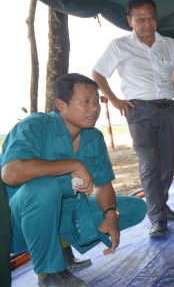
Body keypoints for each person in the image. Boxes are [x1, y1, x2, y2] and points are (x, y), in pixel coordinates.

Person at [1, 73, 147, 286]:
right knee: (44, 187)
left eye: (96, 101)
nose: (94, 108)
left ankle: (61, 248)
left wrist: (111, 215)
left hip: (64, 217)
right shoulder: (35, 126)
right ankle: (51, 274)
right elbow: (11, 174)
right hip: (15, 226)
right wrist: (72, 164)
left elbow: (104, 184)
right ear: (61, 104)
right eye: (85, 101)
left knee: (135, 207)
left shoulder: (93, 137)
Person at [92, 0, 174, 238]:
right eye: (140, 20)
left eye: (151, 18)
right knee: (149, 165)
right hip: (139, 111)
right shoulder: (119, 46)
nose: (147, 24)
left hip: (167, 109)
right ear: (130, 20)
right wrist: (115, 100)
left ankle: (162, 206)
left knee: (166, 165)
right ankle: (157, 218)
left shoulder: (168, 44)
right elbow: (97, 74)